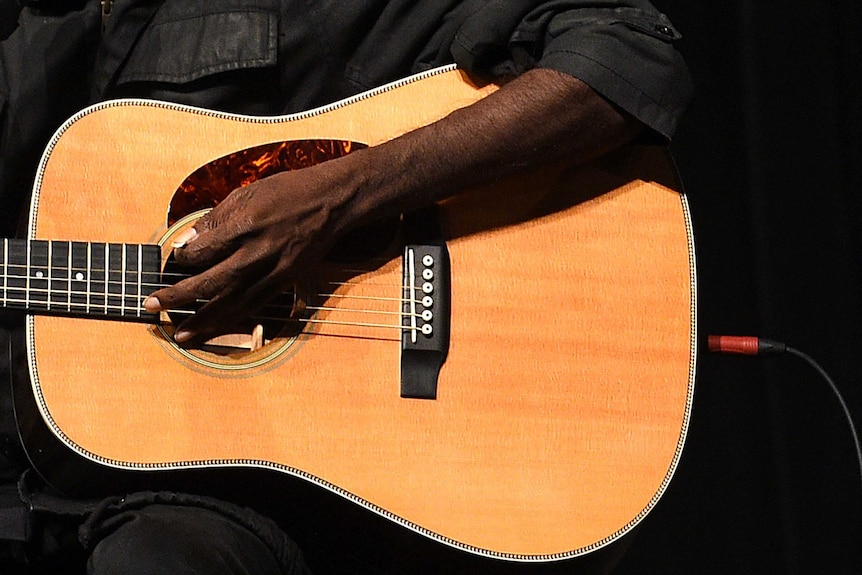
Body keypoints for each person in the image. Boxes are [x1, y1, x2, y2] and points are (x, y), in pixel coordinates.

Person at [0, 0, 692, 573]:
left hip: (244, 503)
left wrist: (339, 199)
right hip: (53, 479)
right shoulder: (31, 43)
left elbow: (629, 55)